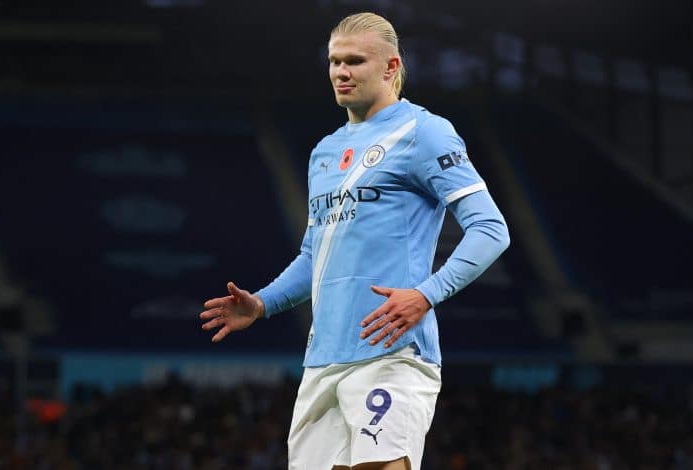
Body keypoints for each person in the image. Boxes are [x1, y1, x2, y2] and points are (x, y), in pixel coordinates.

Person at [200, 12, 510, 470]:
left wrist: (427, 295)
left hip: (391, 351)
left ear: (390, 67)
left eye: (355, 61)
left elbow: (490, 229)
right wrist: (262, 303)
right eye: (334, 62)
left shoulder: (423, 132)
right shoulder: (324, 152)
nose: (341, 72)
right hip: (323, 358)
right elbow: (314, 255)